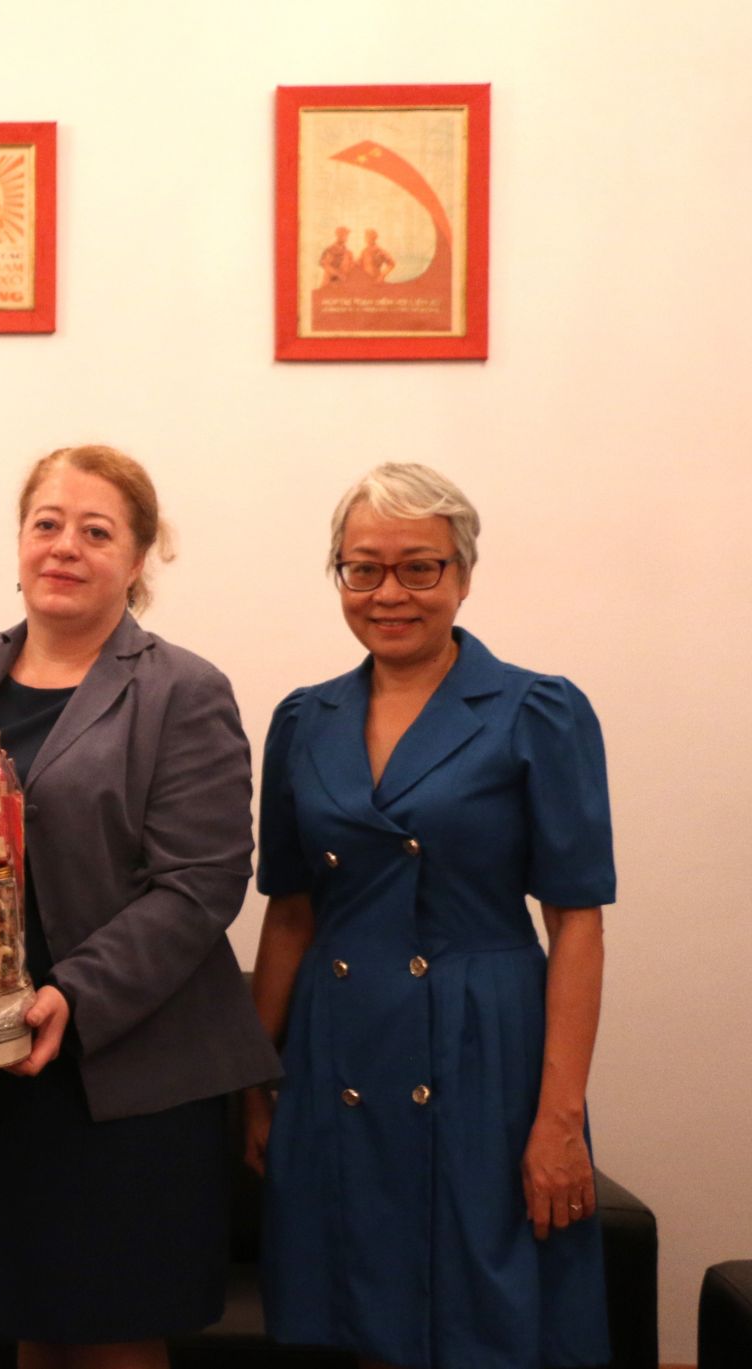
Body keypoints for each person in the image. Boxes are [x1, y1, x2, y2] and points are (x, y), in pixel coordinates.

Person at [0, 445, 280, 1369]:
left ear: (141, 557)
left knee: (111, 1325)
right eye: (47, 524)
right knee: (32, 1316)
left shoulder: (182, 691)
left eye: (96, 531)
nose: (65, 546)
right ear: (20, 543)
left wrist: (75, 991)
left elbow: (201, 882)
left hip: (124, 1067)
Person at [245, 463, 614, 1369]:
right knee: (354, 1308)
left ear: (463, 574)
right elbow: (290, 914)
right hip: (337, 1044)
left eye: (420, 567)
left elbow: (577, 924)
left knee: (485, 1313)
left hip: (485, 1047)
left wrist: (560, 1119)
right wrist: (255, 1081)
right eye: (363, 568)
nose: (390, 593)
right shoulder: (304, 719)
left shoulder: (539, 710)